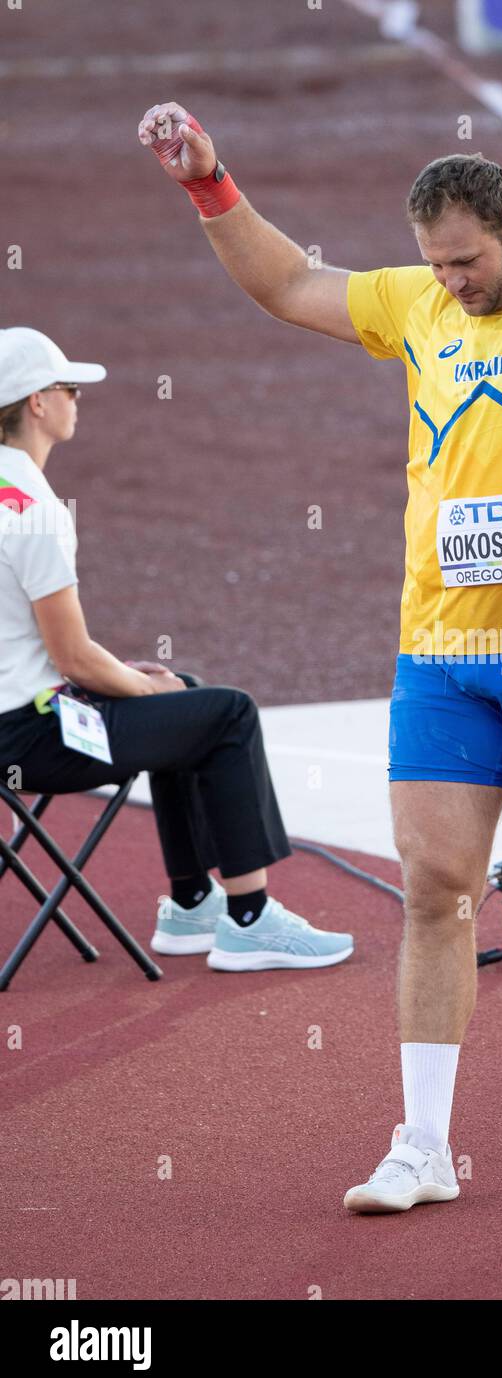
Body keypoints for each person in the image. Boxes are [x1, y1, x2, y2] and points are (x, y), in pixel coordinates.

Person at [137, 68, 502, 1208]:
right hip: (444, 653)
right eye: (435, 265)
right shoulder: (414, 304)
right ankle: (423, 1144)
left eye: (466, 261)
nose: (450, 284)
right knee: (433, 885)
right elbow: (292, 282)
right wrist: (209, 183)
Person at [0, 327, 353, 973]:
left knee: (182, 688)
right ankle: (249, 918)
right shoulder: (35, 510)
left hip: (17, 719)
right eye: (69, 388)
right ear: (38, 403)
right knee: (226, 713)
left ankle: (192, 903)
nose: (79, 400)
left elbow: (36, 645)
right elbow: (73, 658)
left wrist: (139, 682)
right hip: (30, 739)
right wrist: (143, 688)